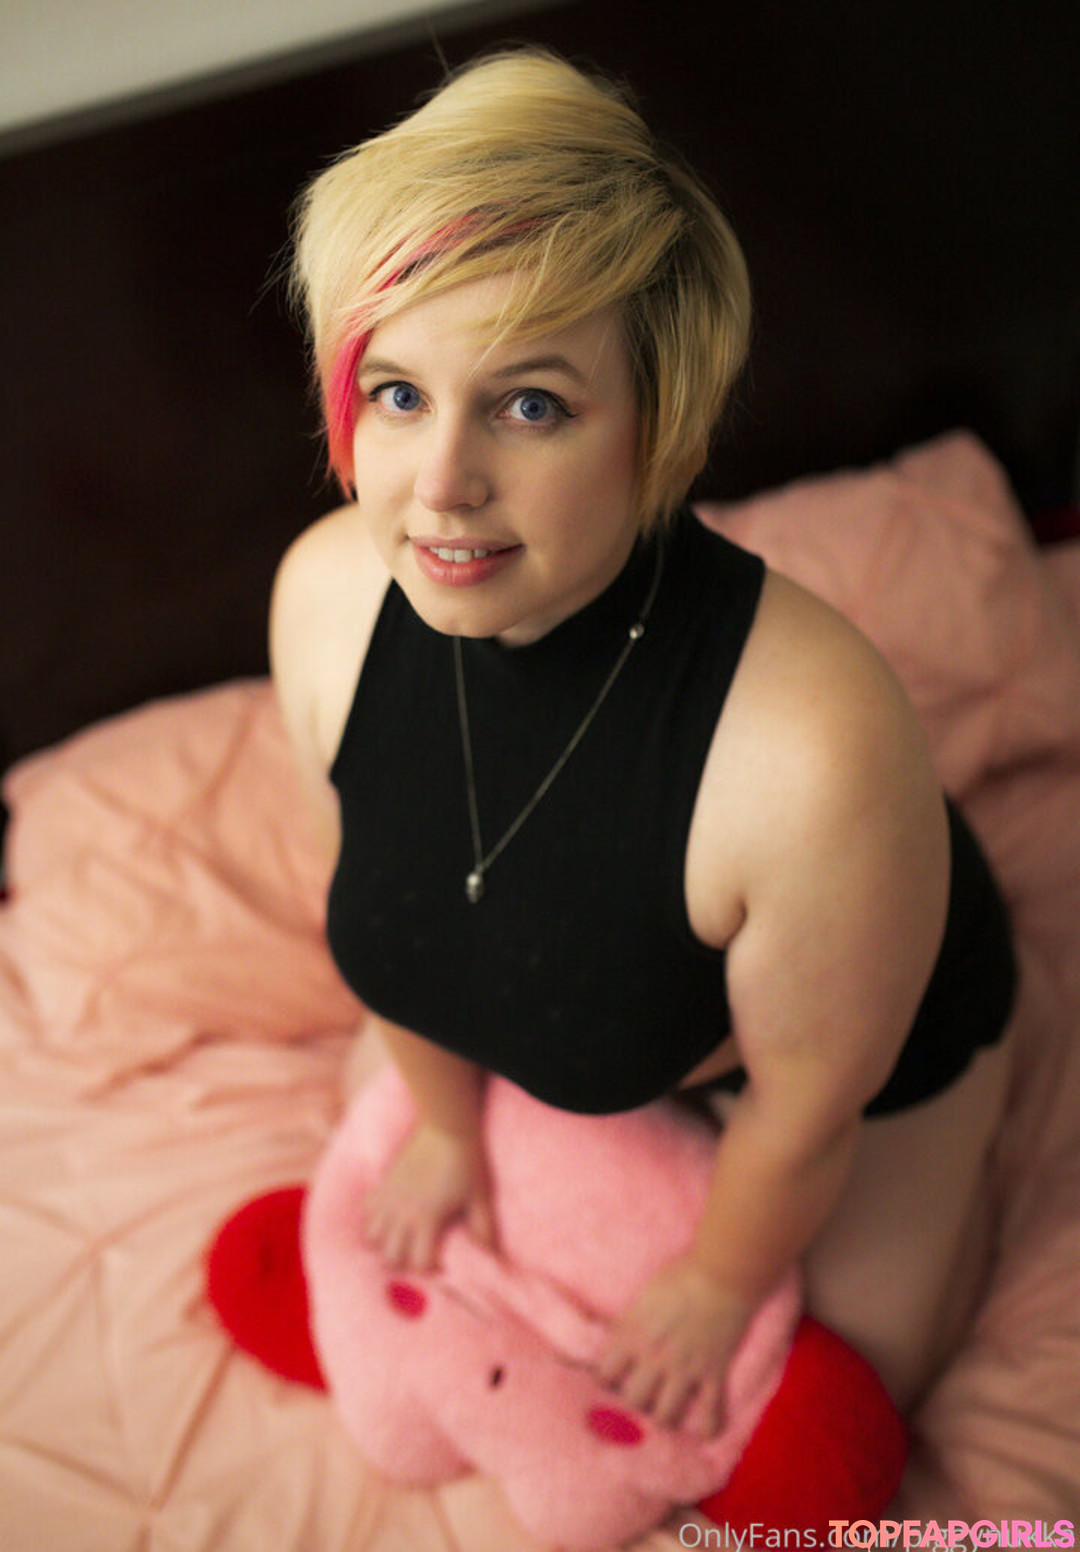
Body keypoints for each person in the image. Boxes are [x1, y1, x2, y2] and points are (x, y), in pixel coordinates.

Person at [271, 47, 1017, 1439]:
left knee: (829, 1414)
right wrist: (446, 1127)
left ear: (658, 425)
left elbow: (806, 1117)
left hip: (857, 1056)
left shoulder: (816, 756)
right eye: (400, 393)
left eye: (531, 405)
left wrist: (719, 1285)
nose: (442, 487)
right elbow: (382, 892)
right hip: (589, 995)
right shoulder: (323, 599)